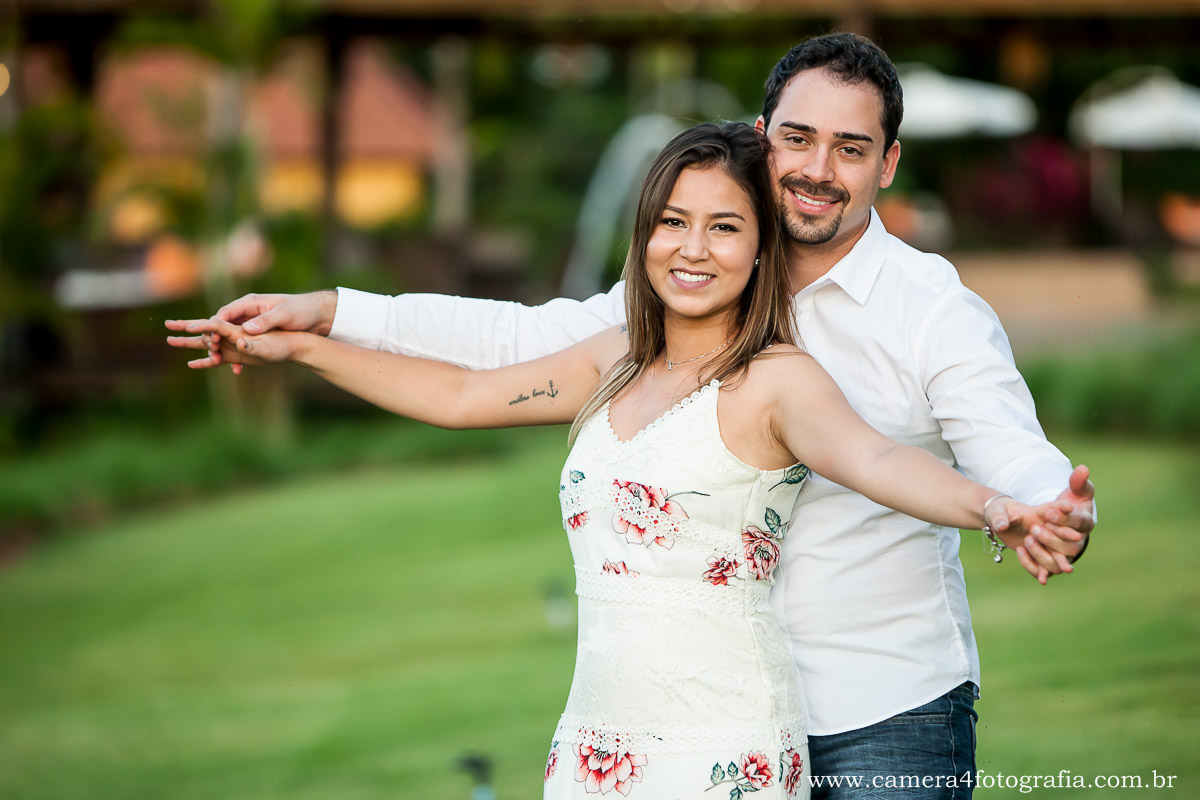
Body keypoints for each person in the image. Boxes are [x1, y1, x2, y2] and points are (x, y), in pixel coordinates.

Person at [168, 34, 1096, 799]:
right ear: (762, 139)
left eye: (850, 149)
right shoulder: (676, 302)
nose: (818, 169)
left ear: (887, 163)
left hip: (882, 709)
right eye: (798, 140)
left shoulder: (929, 311)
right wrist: (331, 314)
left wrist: (1036, 505)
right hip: (659, 720)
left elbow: (975, 448)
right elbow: (498, 351)